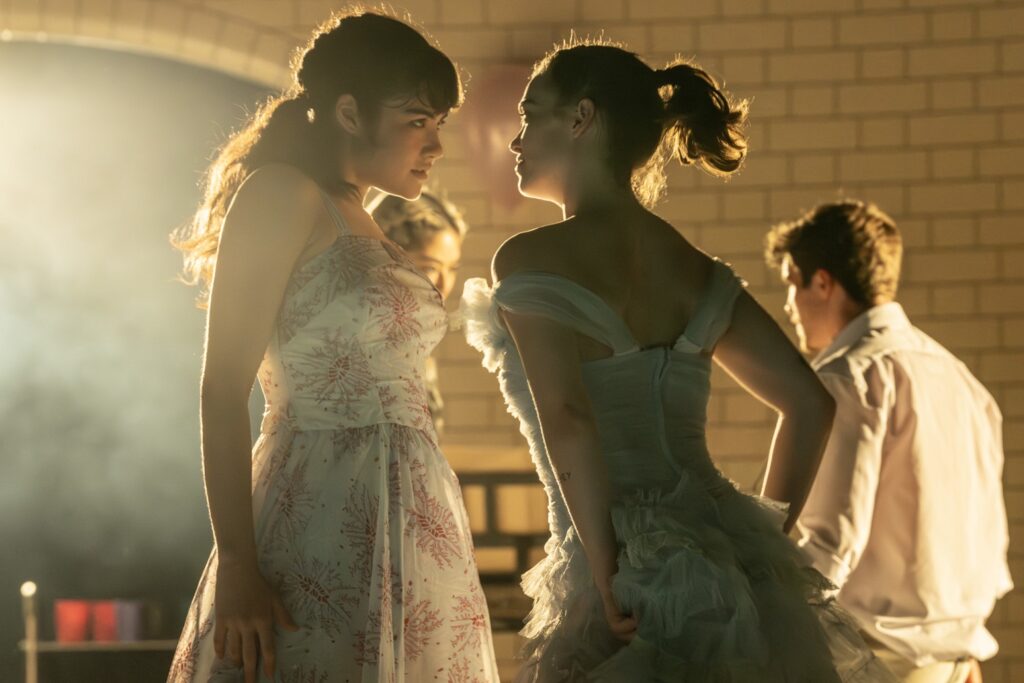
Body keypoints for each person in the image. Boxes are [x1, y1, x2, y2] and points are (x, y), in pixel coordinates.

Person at [460, 38, 896, 681]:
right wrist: (762, 546)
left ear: (581, 118)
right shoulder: (695, 269)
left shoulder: (529, 259)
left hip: (617, 557)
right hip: (728, 557)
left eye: (530, 116)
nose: (516, 139)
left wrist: (606, 576)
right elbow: (809, 404)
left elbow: (569, 417)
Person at [167, 10, 499, 683]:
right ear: (349, 111)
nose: (435, 145)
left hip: (410, 512)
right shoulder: (282, 194)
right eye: (417, 121)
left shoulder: (365, 217)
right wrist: (236, 560)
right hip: (318, 502)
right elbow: (221, 387)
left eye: (438, 125)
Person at [765, 200, 1012, 683]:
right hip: (958, 666)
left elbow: (828, 551)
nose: (788, 306)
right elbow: (987, 544)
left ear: (823, 282)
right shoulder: (964, 382)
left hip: (877, 665)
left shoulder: (847, 379)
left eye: (792, 283)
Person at [372, 190, 468, 437]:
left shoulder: (417, 334)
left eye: (453, 268)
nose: (444, 284)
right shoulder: (368, 334)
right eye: (430, 267)